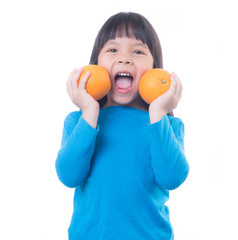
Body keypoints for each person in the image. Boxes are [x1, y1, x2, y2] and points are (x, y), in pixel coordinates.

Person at [55, 12, 189, 240]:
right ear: (95, 64)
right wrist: (89, 111)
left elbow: (172, 177)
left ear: (155, 67)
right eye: (113, 50)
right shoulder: (78, 121)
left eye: (137, 51)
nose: (125, 58)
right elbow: (68, 175)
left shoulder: (165, 123)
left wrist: (158, 112)